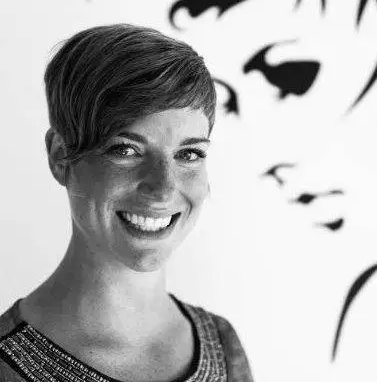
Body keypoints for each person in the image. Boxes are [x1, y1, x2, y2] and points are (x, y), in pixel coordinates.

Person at [0, 24, 253, 382]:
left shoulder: (225, 349)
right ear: (60, 156)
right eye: (126, 150)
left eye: (189, 153)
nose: (164, 189)